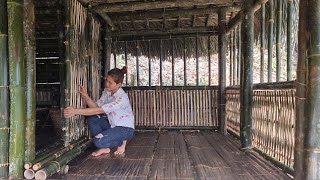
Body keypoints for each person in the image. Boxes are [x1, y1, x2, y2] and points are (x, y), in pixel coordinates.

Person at [64, 66, 134, 157]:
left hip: (125, 129)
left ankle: (121, 142)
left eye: (110, 82)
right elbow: (96, 108)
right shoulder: (107, 92)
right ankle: (108, 145)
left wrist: (75, 111)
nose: (107, 84)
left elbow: (99, 110)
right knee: (92, 118)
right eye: (106, 81)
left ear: (119, 84)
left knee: (97, 142)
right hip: (112, 125)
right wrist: (85, 96)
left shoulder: (122, 98)